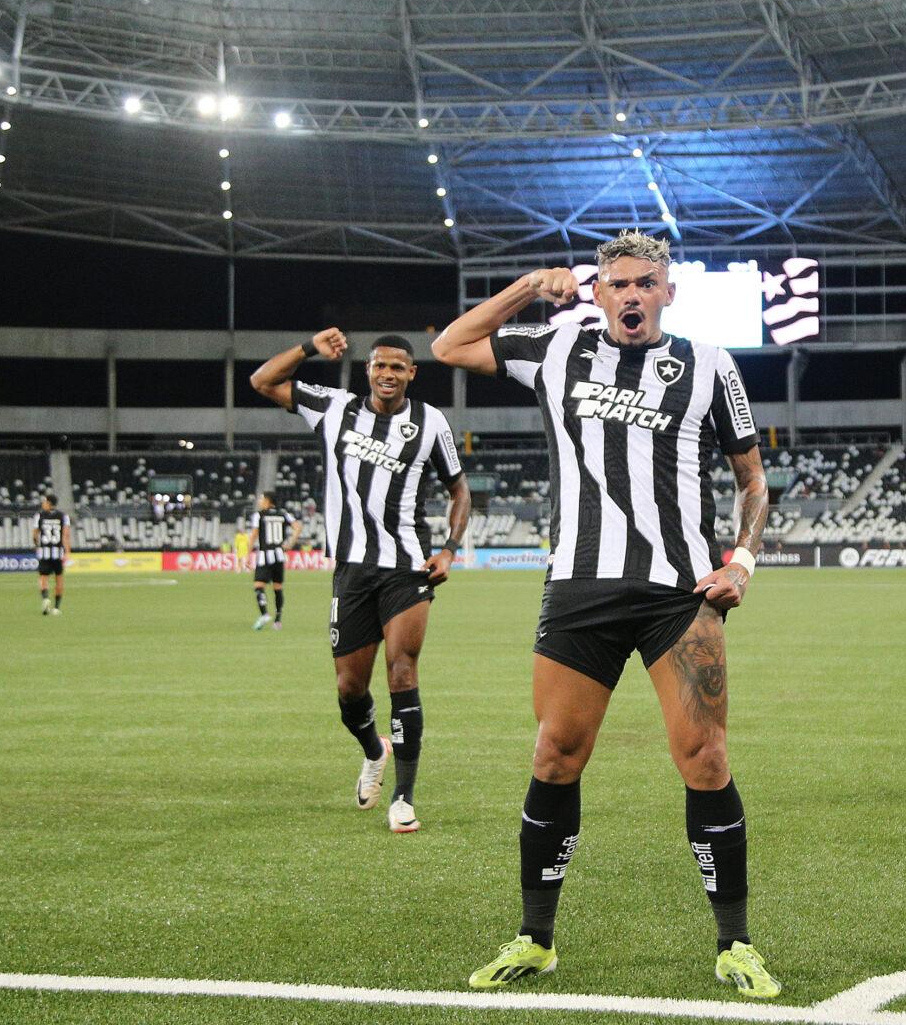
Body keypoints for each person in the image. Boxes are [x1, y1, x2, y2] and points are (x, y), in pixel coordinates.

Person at [433, 230, 782, 1000]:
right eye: (616, 283)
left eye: (644, 283)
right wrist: (529, 285)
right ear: (596, 291)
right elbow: (452, 344)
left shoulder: (711, 367)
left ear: (667, 292)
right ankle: (535, 939)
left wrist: (743, 561)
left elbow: (753, 482)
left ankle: (736, 944)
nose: (630, 294)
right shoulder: (554, 348)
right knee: (556, 753)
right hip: (579, 588)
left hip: (677, 596)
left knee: (707, 759)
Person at [251, 329, 471, 836]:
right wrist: (308, 349)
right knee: (350, 690)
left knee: (402, 673)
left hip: (406, 567)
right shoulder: (334, 409)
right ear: (367, 370)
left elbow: (460, 490)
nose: (387, 374)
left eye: (398, 367)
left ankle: (403, 797)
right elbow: (263, 381)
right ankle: (374, 750)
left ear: (411, 373)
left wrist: (450, 548)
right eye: (379, 366)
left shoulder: (430, 422)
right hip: (351, 568)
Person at [247, 492, 292, 631]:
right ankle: (278, 621)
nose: (260, 501)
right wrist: (290, 543)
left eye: (261, 498)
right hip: (279, 555)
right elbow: (298, 526)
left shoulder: (259, 515)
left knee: (258, 586)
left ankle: (264, 614)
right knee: (278, 588)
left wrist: (247, 555)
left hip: (265, 555)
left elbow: (254, 535)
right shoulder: (283, 514)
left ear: (267, 501)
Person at [33, 494, 70, 614]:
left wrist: (36, 544)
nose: (43, 504)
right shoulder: (63, 516)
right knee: (59, 580)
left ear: (48, 503)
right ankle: (56, 608)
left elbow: (35, 535)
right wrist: (67, 552)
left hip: (44, 552)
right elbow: (65, 535)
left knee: (43, 578)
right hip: (58, 553)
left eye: (44, 502)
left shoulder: (39, 515)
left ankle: (45, 598)